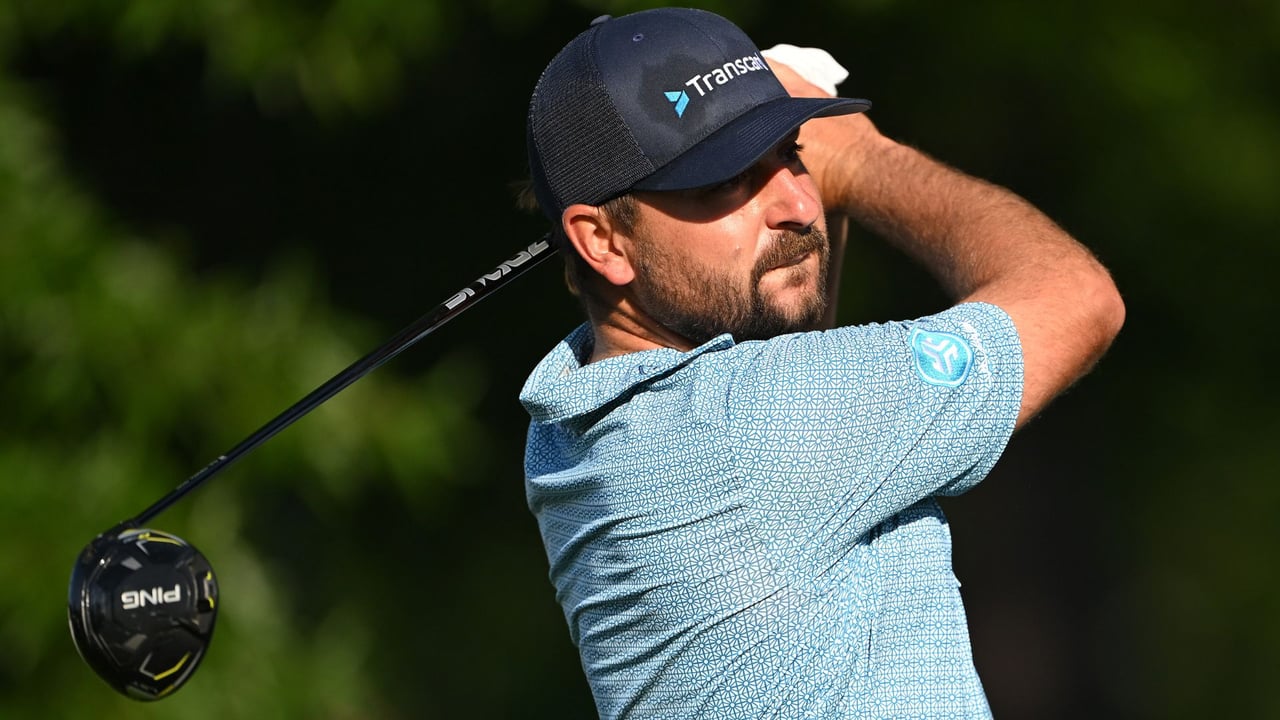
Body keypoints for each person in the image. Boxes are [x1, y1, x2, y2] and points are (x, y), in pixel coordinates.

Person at [518, 8, 1124, 719]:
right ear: (603, 241)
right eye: (727, 180)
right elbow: (1078, 299)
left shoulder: (571, 426)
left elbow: (791, 378)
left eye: (792, 153)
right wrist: (860, 158)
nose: (803, 203)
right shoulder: (740, 426)